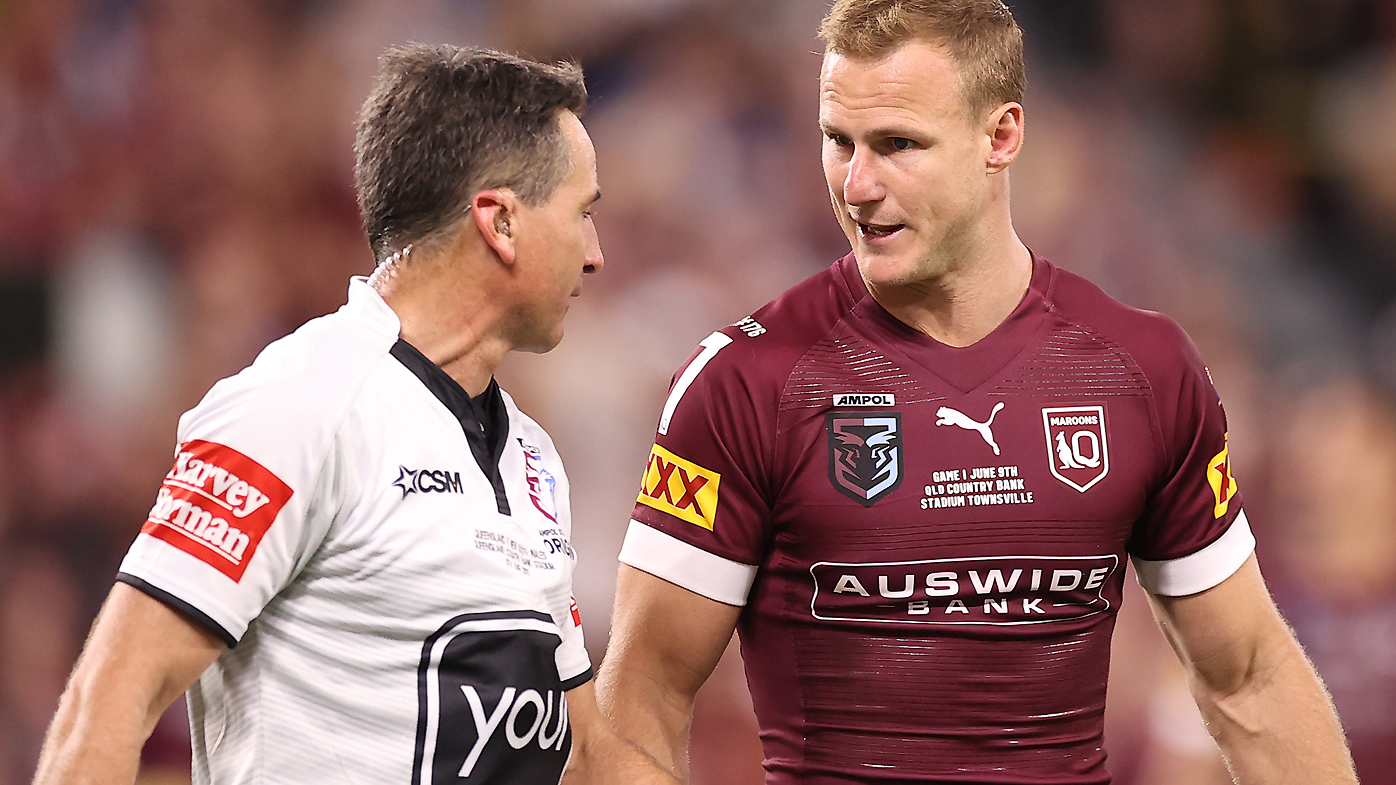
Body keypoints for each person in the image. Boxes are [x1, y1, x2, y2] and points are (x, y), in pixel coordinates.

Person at [595, 2, 1359, 783]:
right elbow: (641, 699)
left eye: (898, 145)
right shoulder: (744, 383)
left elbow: (1248, 677)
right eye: (838, 141)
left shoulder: (1140, 369)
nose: (858, 185)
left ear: (1001, 137)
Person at [33, 45, 675, 785]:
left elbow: (584, 750)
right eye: (582, 213)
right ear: (499, 221)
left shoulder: (530, 455)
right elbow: (106, 703)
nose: (595, 254)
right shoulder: (299, 407)